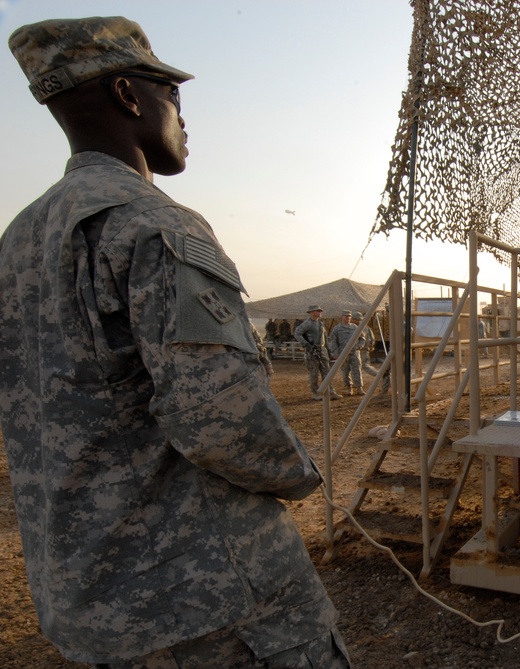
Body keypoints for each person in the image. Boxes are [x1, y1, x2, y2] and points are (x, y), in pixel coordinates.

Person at [1, 17, 350, 668]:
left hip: (92, 604)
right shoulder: (152, 223)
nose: (183, 119)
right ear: (130, 96)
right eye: (173, 96)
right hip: (206, 594)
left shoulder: (19, 240)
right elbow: (218, 418)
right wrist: (300, 472)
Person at [294, 305, 339, 400]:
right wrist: (306, 344)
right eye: (317, 311)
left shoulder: (321, 324)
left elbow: (325, 339)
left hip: (322, 351)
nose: (319, 312)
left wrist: (329, 352)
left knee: (327, 372)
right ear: (311, 312)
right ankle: (315, 393)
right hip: (312, 352)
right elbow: (297, 333)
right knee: (314, 374)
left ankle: (330, 391)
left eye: (320, 311)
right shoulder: (307, 323)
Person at [328, 309, 363, 395]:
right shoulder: (337, 328)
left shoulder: (355, 327)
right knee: (345, 371)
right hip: (343, 353)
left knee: (357, 370)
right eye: (346, 316)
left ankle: (359, 388)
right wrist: (335, 353)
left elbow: (362, 338)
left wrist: (358, 346)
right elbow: (333, 341)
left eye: (349, 316)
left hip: (354, 352)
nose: (348, 318)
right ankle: (349, 388)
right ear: (342, 317)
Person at [355, 311, 379, 376]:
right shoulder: (367, 328)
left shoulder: (360, 328)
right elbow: (372, 338)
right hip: (364, 349)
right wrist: (371, 346)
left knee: (365, 366)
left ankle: (380, 374)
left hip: (362, 349)